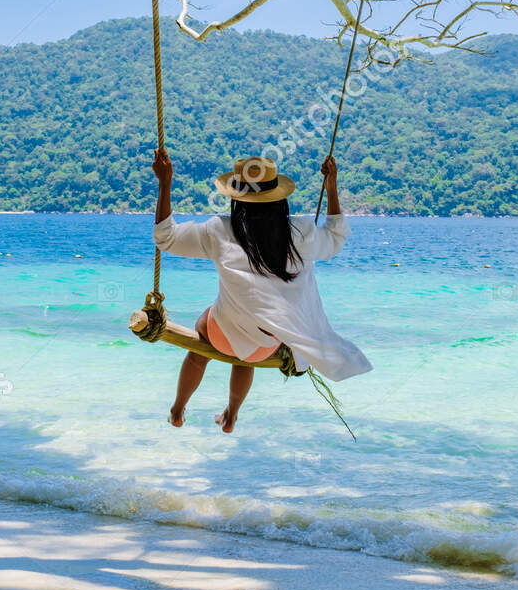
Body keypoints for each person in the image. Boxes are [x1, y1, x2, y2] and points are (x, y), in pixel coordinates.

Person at [152, 149, 371, 432]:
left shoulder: (218, 230)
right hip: (265, 345)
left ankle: (178, 408)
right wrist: (331, 188)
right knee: (249, 346)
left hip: (220, 336)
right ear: (278, 197)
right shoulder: (300, 232)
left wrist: (165, 182)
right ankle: (231, 414)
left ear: (236, 198)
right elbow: (336, 239)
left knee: (201, 343)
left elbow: (165, 238)